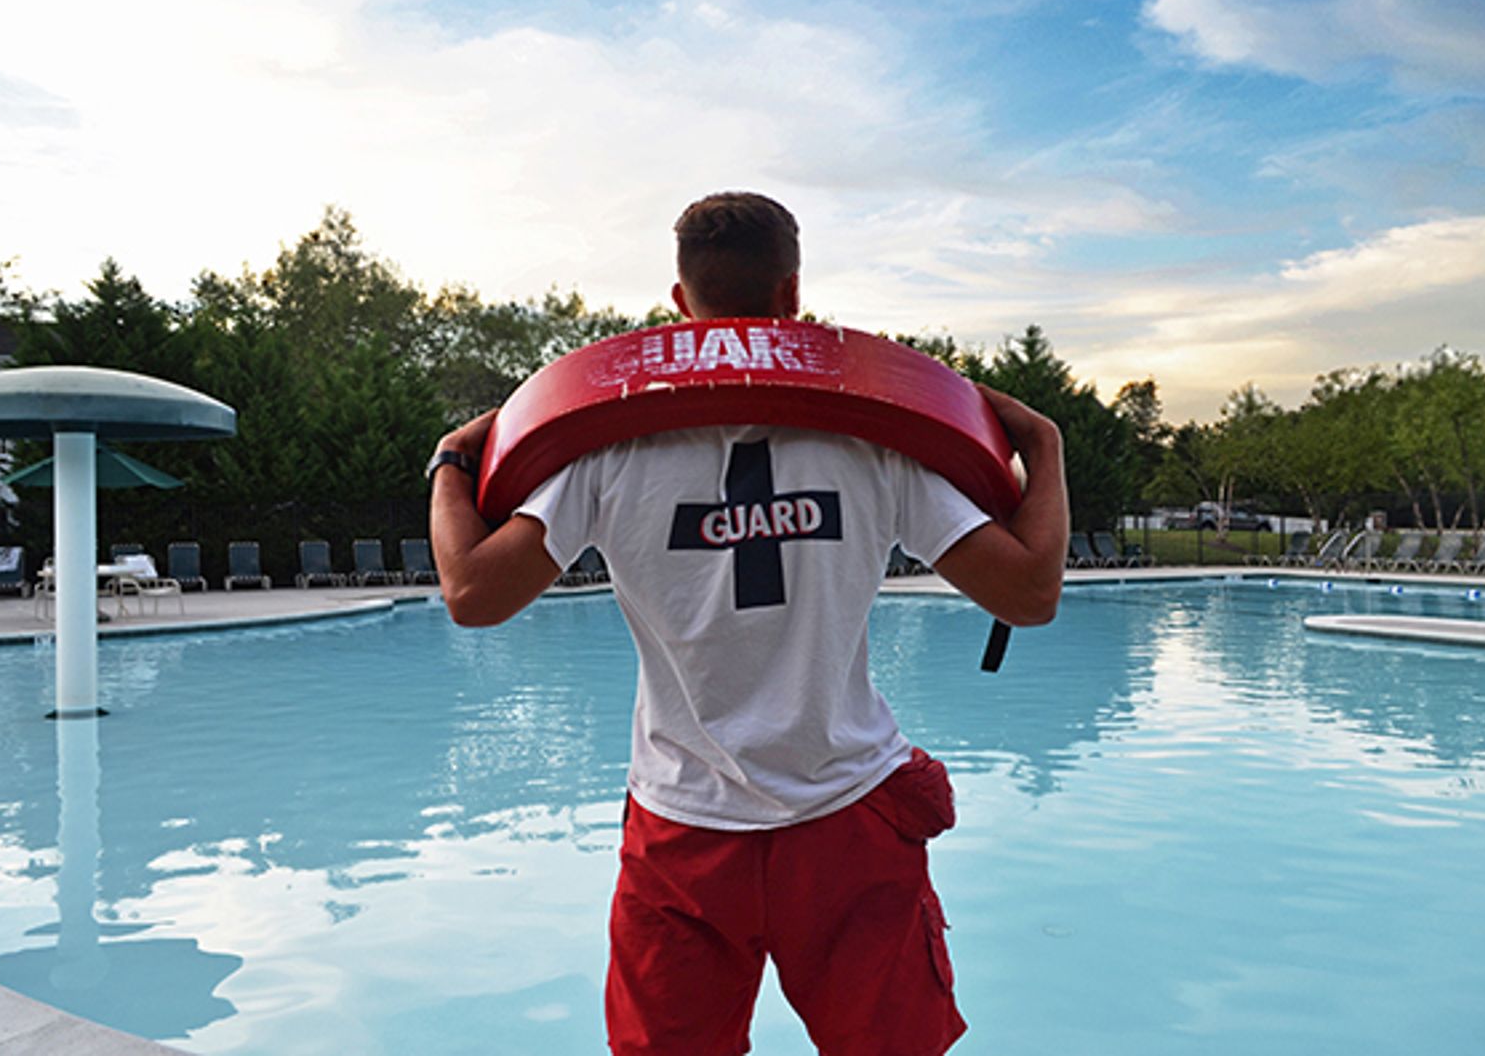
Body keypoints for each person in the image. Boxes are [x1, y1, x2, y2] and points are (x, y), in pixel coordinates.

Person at [428, 192, 1069, 1054]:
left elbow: (472, 594)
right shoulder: (874, 445)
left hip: (682, 828)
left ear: (680, 304)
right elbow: (1029, 593)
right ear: (792, 294)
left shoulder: (606, 456)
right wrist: (1045, 447)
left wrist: (449, 463)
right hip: (848, 817)